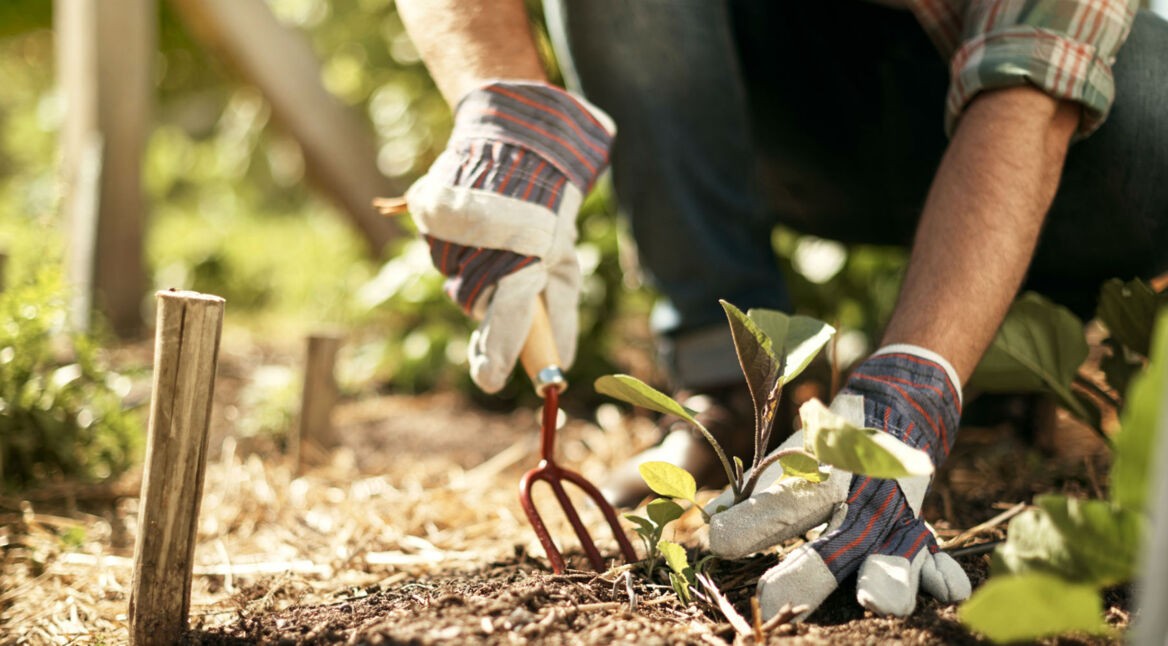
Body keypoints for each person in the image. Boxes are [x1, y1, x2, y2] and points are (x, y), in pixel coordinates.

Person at [394, 0, 1168, 622]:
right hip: (768, 103)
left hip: (1027, 108)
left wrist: (915, 382)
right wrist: (502, 103)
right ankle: (733, 387)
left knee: (1151, 118)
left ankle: (1001, 340)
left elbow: (1033, 91)